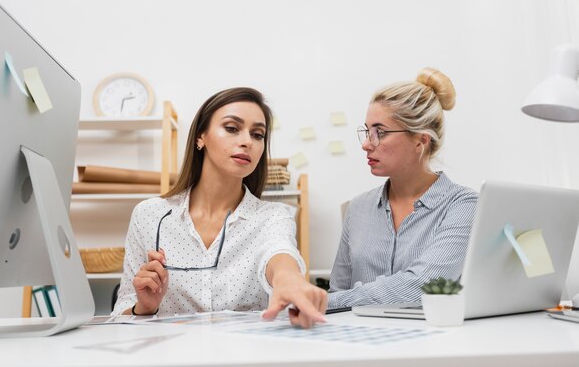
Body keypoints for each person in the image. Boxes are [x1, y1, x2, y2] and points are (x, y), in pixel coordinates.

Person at [112, 87, 327, 328]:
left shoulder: (273, 217)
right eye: (232, 128)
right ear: (200, 137)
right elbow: (121, 312)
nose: (247, 142)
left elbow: (278, 253)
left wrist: (288, 278)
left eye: (258, 134)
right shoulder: (149, 215)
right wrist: (144, 307)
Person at [328, 68, 478, 309]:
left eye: (381, 133)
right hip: (361, 342)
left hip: (434, 344)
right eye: (367, 132)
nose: (366, 144)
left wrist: (322, 301)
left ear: (420, 140)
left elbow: (421, 286)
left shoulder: (464, 206)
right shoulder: (357, 209)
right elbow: (338, 292)